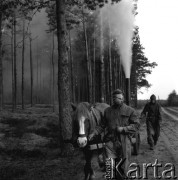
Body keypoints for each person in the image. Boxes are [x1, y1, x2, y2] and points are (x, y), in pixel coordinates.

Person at [88, 89, 140, 176]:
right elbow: (102, 125)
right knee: (110, 166)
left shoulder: (130, 110)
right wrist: (94, 133)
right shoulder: (107, 111)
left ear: (122, 99)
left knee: (123, 167)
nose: (115, 99)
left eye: (117, 97)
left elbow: (136, 126)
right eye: (114, 97)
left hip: (124, 141)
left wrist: (124, 129)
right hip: (110, 141)